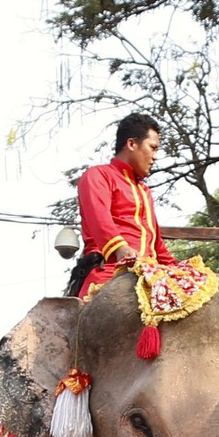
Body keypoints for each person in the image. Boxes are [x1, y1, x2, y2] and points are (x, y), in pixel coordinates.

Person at [72, 113, 171, 299]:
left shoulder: (144, 191)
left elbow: (156, 243)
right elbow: (99, 220)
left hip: (151, 273)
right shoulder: (98, 175)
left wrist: (179, 267)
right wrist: (120, 249)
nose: (155, 157)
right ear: (132, 144)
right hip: (110, 270)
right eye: (153, 148)